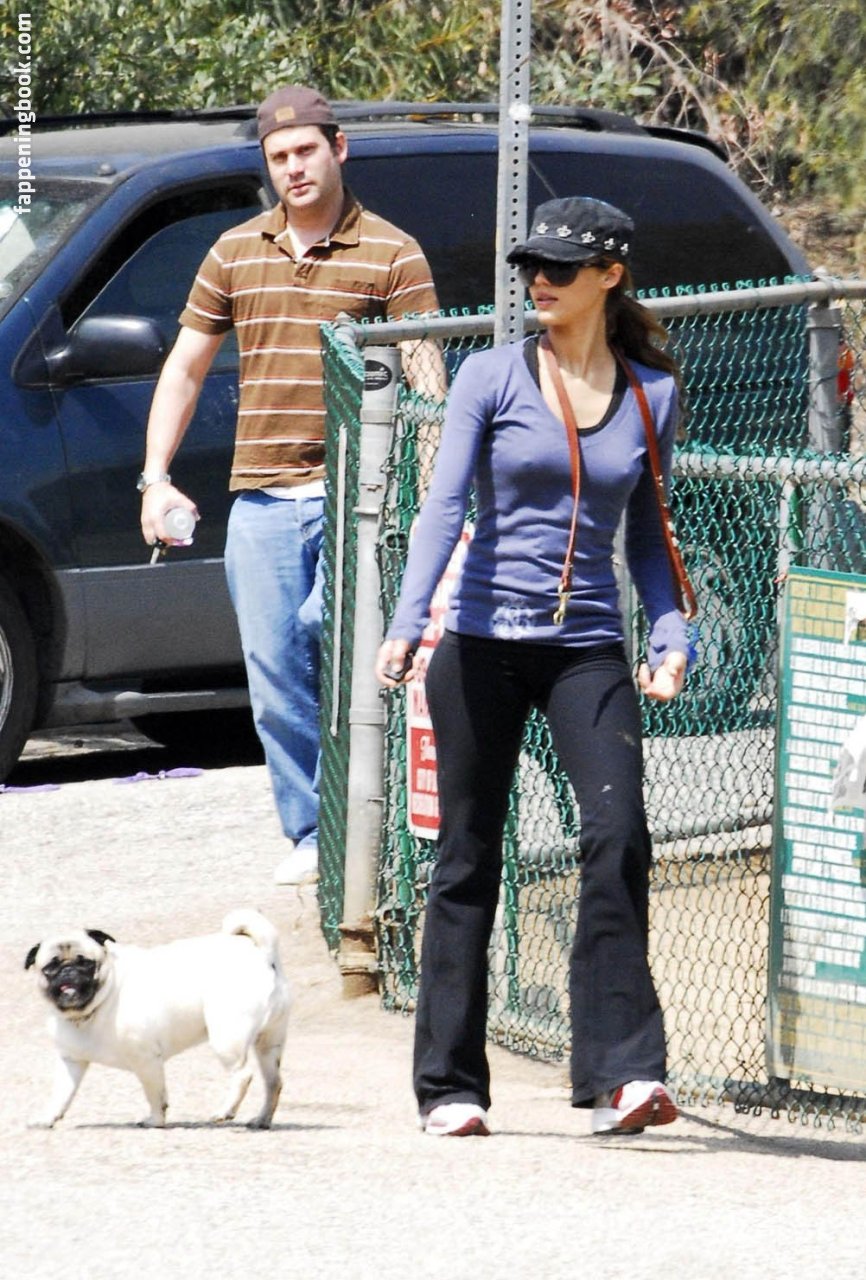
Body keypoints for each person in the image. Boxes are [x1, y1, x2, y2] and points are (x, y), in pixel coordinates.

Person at [375, 196, 694, 1138]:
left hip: (585, 648)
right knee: (467, 857)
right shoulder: (491, 374)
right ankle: (450, 1086)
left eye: (560, 267)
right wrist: (408, 622)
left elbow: (650, 536)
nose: (538, 282)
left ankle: (620, 1077)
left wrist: (671, 636)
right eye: (530, 267)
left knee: (618, 833)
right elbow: (443, 507)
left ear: (610, 276)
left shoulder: (651, 394)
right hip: (479, 643)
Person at [140, 85, 442, 887]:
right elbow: (186, 368)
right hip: (263, 499)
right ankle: (314, 833)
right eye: (278, 157)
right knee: (274, 677)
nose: (293, 167)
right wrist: (155, 478)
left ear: (338, 148)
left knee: (330, 636)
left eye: (306, 150)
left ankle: (377, 820)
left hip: (357, 496)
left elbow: (426, 379)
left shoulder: (393, 252)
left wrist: (426, 500)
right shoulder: (234, 252)